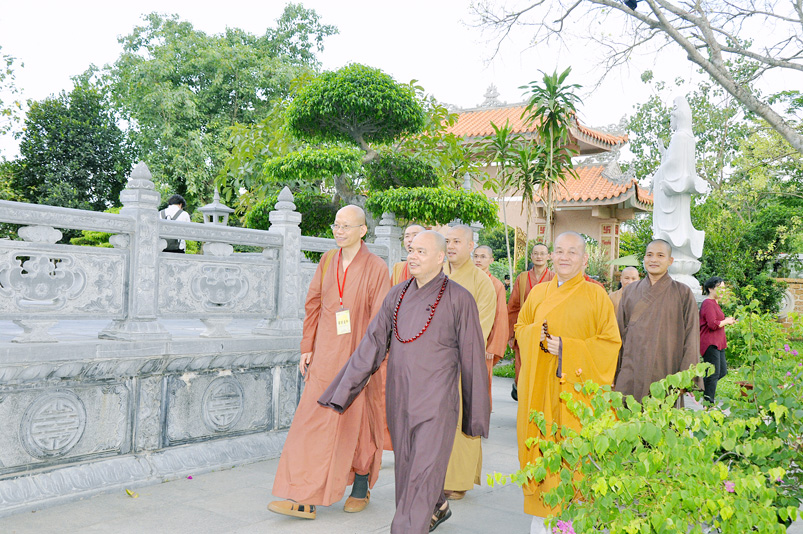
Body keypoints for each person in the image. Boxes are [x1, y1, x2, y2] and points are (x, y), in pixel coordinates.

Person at [318, 231, 490, 534]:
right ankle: (437, 505)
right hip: (400, 399)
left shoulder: (459, 298)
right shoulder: (397, 295)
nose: (413, 256)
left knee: (423, 471)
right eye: (411, 250)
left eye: (422, 252)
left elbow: (473, 358)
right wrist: (343, 389)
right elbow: (372, 344)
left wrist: (475, 414)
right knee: (408, 469)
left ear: (440, 257)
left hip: (437, 404)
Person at [269, 205, 391, 520]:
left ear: (363, 230)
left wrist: (368, 363)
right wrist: (307, 346)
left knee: (358, 423)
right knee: (311, 422)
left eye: (346, 226)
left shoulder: (376, 267)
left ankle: (361, 484)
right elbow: (313, 304)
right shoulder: (327, 261)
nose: (339, 231)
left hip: (359, 358)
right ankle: (303, 494)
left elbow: (381, 320)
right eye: (336, 225)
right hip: (325, 355)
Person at [514, 231, 621, 533]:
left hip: (576, 396)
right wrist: (536, 334)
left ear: (584, 259)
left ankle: (574, 521)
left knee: (574, 461)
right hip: (541, 390)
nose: (564, 257)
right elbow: (520, 327)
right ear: (551, 256)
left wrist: (568, 349)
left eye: (572, 252)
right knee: (542, 452)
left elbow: (610, 343)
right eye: (559, 251)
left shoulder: (596, 296)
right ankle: (542, 521)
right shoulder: (538, 293)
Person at [443, 225, 496, 500]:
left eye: (457, 241)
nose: (451, 246)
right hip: (432, 363)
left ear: (470, 245)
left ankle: (459, 480)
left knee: (462, 420)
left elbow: (480, 327)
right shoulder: (435, 273)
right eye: (448, 241)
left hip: (463, 362)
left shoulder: (481, 281)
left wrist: (451, 352)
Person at [614, 239, 701, 404]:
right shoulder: (630, 291)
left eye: (660, 255)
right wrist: (615, 372)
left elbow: (692, 337)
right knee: (628, 413)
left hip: (666, 367)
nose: (653, 259)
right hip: (632, 367)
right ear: (644, 259)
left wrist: (685, 377)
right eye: (649, 255)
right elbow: (618, 332)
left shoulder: (682, 292)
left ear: (670, 261)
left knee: (663, 415)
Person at [508, 243, 554, 400]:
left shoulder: (554, 278)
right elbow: (513, 307)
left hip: (547, 331)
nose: (539, 256)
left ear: (549, 256)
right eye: (536, 253)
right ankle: (522, 399)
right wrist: (511, 334)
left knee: (543, 370)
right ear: (531, 256)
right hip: (525, 330)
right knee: (522, 368)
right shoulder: (522, 278)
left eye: (542, 253)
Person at [473, 245, 510, 410]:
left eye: (483, 257)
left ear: (491, 260)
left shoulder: (497, 285)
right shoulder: (466, 280)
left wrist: (493, 346)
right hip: (464, 340)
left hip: (485, 343)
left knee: (481, 382)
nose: (478, 260)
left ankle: (480, 417)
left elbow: (500, 316)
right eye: (476, 256)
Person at [700, 276, 736, 403]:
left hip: (719, 343)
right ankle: (708, 404)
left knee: (722, 372)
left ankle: (697, 386)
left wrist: (727, 320)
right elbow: (712, 324)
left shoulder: (715, 303)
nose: (723, 291)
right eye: (719, 288)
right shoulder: (708, 303)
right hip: (710, 343)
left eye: (724, 288)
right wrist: (726, 321)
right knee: (713, 374)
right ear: (710, 289)